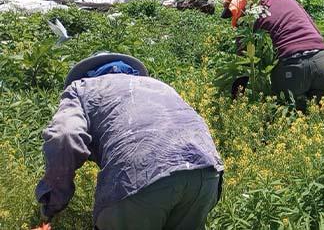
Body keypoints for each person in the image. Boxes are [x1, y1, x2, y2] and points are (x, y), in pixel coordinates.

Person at [35, 52, 224, 230]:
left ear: (88, 75)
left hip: (141, 176)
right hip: (206, 173)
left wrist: (53, 201)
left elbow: (65, 136)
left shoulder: (82, 88)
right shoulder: (159, 85)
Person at [222, 0, 324, 111]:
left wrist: (236, 101)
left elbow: (243, 63)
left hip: (292, 66)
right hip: (322, 60)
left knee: (290, 119)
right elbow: (315, 29)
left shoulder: (248, 15)